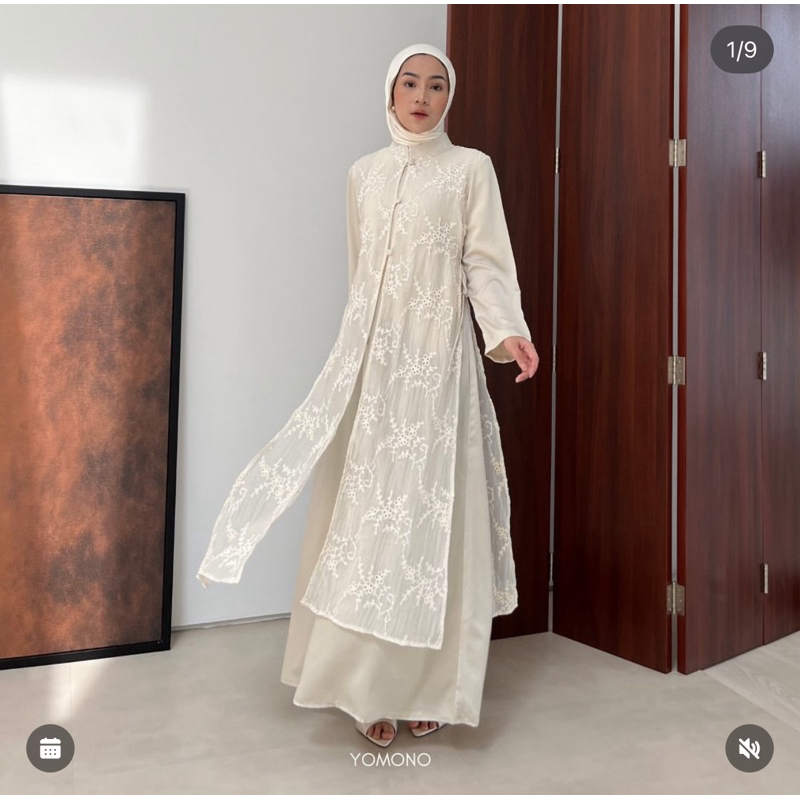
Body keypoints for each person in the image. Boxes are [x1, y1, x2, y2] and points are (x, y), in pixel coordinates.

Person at [196, 43, 539, 747]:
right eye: (410, 84)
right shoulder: (363, 174)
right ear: (390, 93)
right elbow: (362, 273)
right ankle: (363, 690)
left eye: (436, 85)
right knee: (368, 519)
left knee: (432, 518)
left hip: (440, 364)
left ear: (449, 97)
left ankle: (431, 689)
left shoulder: (471, 169)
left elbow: (484, 261)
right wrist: (361, 354)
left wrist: (506, 331)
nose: (421, 96)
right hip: (376, 366)